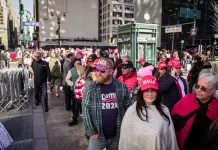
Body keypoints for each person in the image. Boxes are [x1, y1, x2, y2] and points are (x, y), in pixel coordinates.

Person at [82, 57, 131, 150]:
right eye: (97, 69)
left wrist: (126, 130)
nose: (98, 73)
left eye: (102, 70)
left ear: (111, 72)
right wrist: (91, 132)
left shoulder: (121, 86)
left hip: (117, 135)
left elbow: (128, 108)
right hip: (98, 136)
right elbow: (85, 111)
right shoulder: (91, 87)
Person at [119, 75, 178, 150]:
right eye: (146, 90)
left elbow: (170, 139)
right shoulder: (131, 112)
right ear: (141, 92)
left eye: (153, 90)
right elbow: (125, 142)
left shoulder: (164, 110)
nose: (150, 94)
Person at [172, 73, 218, 150]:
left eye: (203, 88)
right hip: (183, 145)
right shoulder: (187, 99)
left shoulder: (216, 106)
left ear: (213, 91)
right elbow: (173, 118)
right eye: (197, 86)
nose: (198, 90)